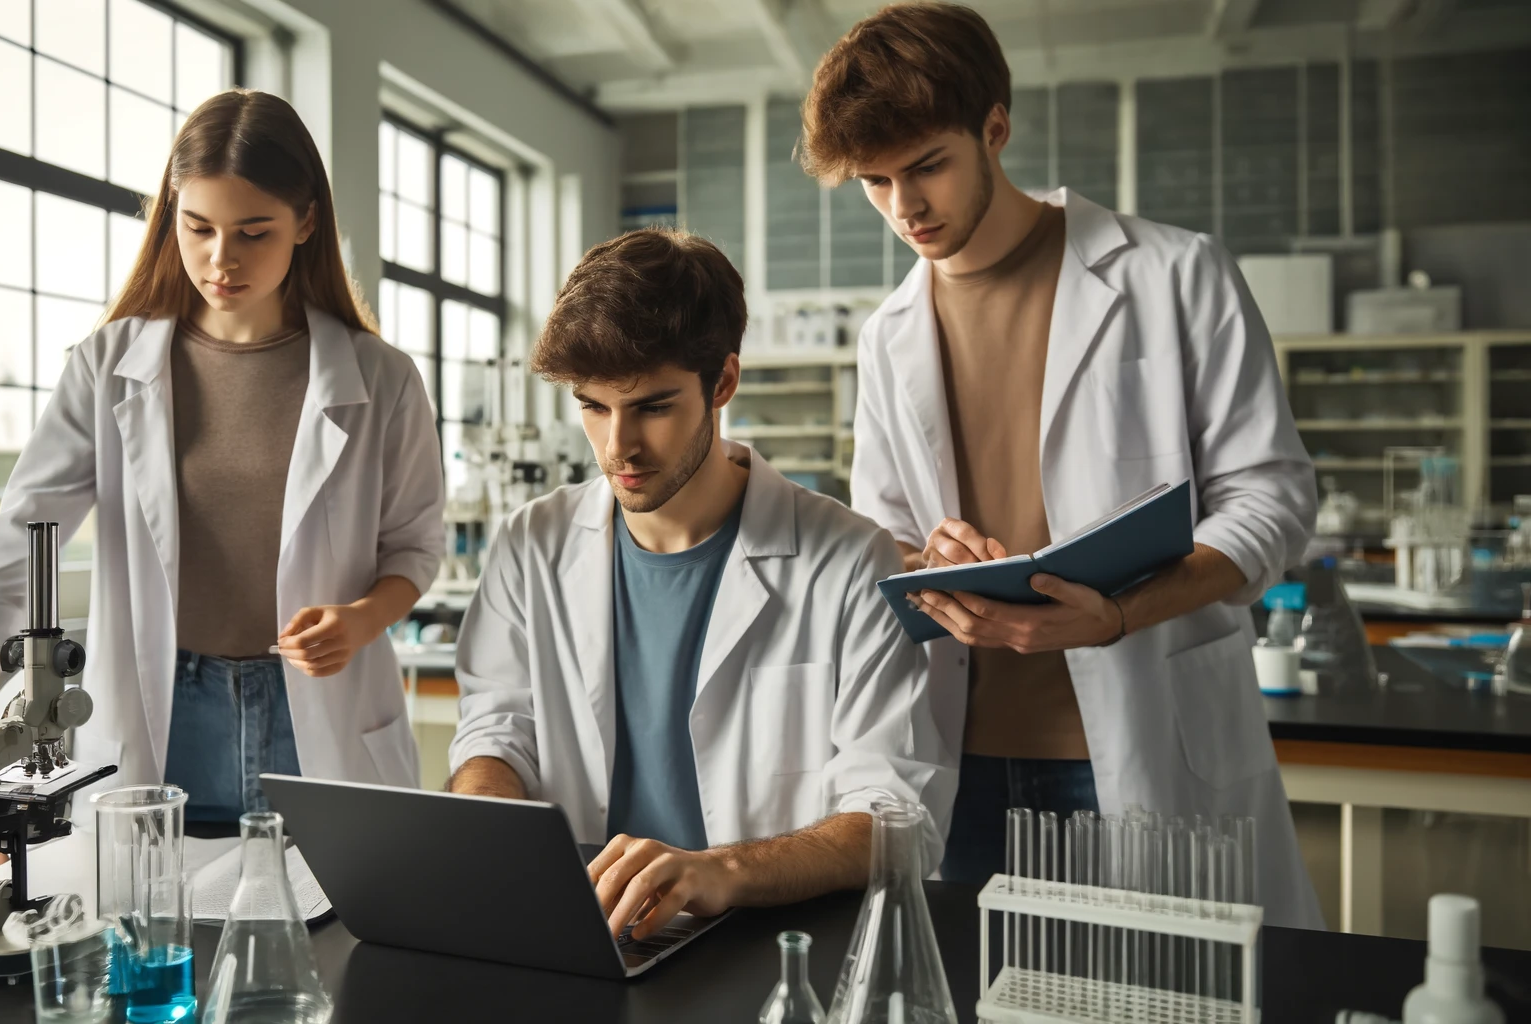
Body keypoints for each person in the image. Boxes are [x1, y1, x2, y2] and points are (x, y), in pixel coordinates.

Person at [799, 3, 1322, 927]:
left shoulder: (1175, 275)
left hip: (1139, 744)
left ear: (995, 127)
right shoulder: (887, 336)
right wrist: (925, 562)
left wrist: (1117, 615)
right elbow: (884, 535)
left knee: (1148, 993)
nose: (905, 207)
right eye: (875, 183)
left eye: (927, 166)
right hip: (955, 759)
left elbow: (1270, 499)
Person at [0, 90, 444, 857]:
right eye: (198, 227)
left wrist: (363, 620)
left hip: (316, 722)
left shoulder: (382, 377)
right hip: (163, 717)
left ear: (307, 223)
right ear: (171, 214)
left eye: (253, 232)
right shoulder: (108, 368)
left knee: (333, 961)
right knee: (158, 959)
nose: (221, 260)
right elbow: (10, 551)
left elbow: (414, 547)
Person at [446, 229, 951, 941]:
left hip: (767, 944)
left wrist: (721, 870)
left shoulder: (849, 561)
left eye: (652, 406)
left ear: (723, 383)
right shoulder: (533, 545)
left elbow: (898, 814)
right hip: (583, 932)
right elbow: (497, 731)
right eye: (592, 405)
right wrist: (488, 811)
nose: (618, 446)